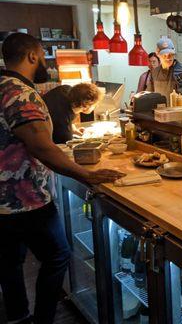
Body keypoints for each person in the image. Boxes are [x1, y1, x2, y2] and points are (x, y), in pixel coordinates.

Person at [0, 33, 125, 324]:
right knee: (57, 255)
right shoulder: (20, 93)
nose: (45, 60)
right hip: (25, 199)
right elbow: (41, 146)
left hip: (3, 202)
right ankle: (43, 319)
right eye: (43, 54)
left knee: (10, 262)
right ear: (32, 55)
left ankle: (17, 317)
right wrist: (87, 174)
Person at [148, 37, 182, 102]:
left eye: (171, 54)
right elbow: (150, 94)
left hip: (178, 111)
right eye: (165, 55)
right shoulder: (154, 73)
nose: (168, 58)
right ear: (158, 54)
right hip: (160, 111)